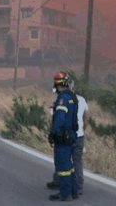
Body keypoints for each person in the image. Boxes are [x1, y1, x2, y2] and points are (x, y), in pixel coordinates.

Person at [47, 71, 79, 201]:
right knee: (69, 165)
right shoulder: (72, 97)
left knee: (62, 166)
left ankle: (65, 194)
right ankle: (73, 191)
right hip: (71, 135)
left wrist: (52, 134)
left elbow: (59, 119)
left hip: (62, 136)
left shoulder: (62, 99)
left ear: (59, 85)